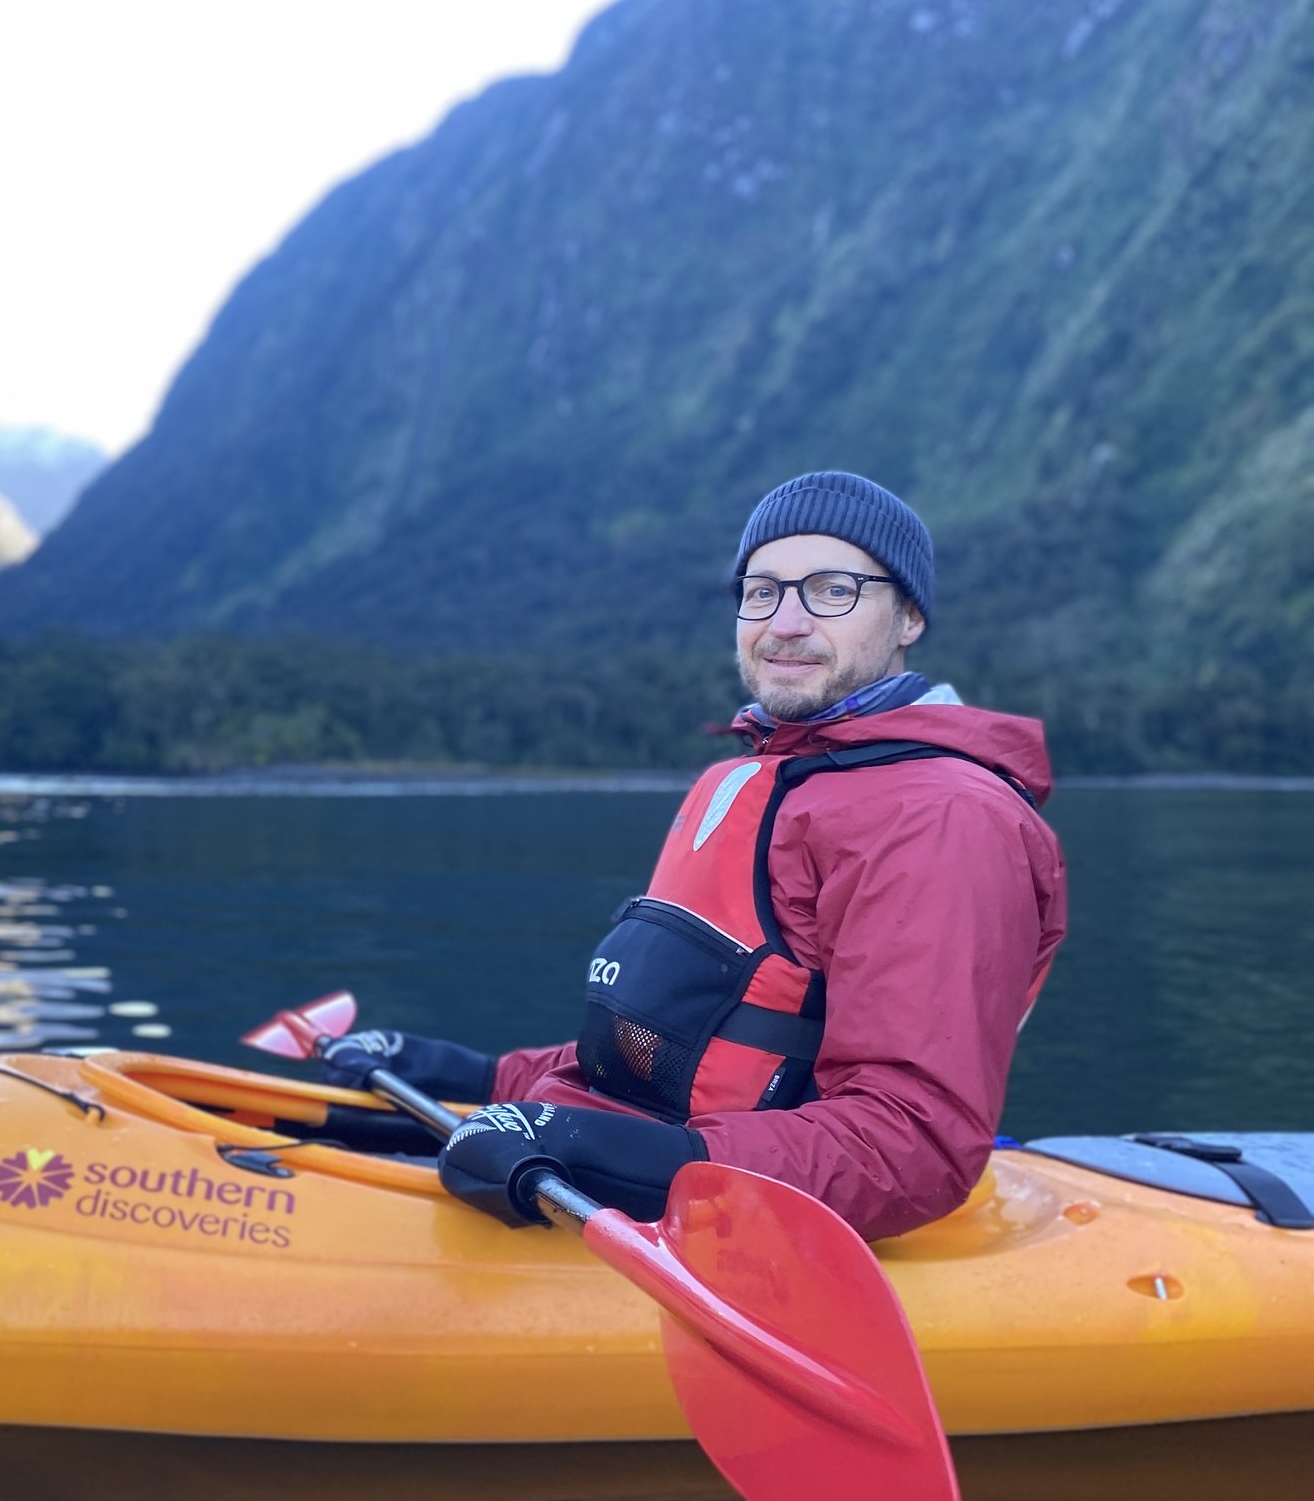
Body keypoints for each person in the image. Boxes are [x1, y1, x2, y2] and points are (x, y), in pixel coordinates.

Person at [324, 471, 1067, 1240]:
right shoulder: (752, 779)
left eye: (831, 590)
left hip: (737, 1222)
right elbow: (680, 1049)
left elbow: (911, 1144)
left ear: (909, 614)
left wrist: (623, 1158)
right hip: (616, 1179)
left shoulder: (940, 817)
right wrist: (481, 1076)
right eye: (762, 591)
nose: (785, 623)